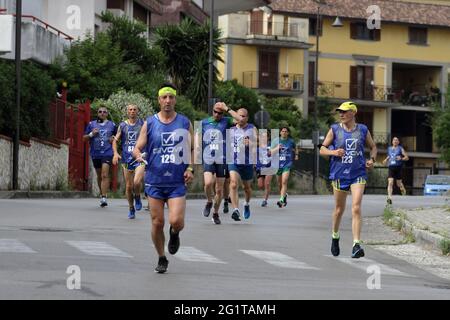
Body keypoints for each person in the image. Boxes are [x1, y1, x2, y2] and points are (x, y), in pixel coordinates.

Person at [133, 83, 194, 274]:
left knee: (176, 221)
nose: (167, 101)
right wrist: (137, 155)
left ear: (175, 99)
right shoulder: (150, 123)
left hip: (176, 180)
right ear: (159, 100)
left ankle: (174, 233)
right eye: (164, 97)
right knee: (157, 222)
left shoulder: (184, 122)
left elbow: (193, 148)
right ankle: (161, 257)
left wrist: (190, 168)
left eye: (171, 97)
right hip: (154, 180)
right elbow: (138, 147)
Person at [320, 101, 377, 259]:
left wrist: (372, 160)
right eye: (340, 112)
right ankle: (335, 235)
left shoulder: (363, 130)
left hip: (358, 173)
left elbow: (373, 147)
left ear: (353, 113)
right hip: (339, 174)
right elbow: (322, 149)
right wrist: (334, 153)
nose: (341, 114)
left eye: (344, 111)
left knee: (356, 207)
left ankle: (356, 244)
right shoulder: (334, 129)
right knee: (339, 210)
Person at [199, 102, 241, 224]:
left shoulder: (226, 121)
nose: (217, 114)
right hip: (208, 157)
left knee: (219, 190)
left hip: (222, 158)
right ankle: (208, 201)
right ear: (212, 111)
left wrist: (227, 108)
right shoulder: (204, 122)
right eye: (215, 112)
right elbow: (195, 138)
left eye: (220, 113)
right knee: (208, 183)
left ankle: (215, 214)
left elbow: (239, 119)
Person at [113, 104, 145, 219]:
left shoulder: (142, 124)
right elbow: (115, 141)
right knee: (128, 186)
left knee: (137, 182)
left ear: (138, 111)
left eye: (134, 110)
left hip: (139, 157)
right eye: (130, 110)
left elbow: (150, 138)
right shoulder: (122, 125)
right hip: (126, 158)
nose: (132, 111)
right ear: (127, 112)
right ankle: (131, 208)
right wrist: (116, 153)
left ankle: (137, 196)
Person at [227, 108, 258, 221]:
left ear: (247, 118)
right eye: (239, 115)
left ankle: (246, 204)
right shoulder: (231, 130)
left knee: (247, 188)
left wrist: (251, 143)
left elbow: (259, 143)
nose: (241, 118)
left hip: (247, 162)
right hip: (233, 161)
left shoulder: (252, 128)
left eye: (244, 116)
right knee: (234, 184)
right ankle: (236, 210)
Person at [83, 106, 117, 207]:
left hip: (107, 153)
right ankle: (102, 194)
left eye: (104, 112)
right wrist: (91, 134)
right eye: (100, 112)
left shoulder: (112, 125)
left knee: (104, 175)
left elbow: (117, 137)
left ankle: (103, 197)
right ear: (97, 113)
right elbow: (84, 138)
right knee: (99, 175)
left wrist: (113, 139)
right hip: (95, 153)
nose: (102, 113)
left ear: (107, 114)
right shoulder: (91, 124)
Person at [272, 127, 298, 208]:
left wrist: (296, 155)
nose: (284, 132)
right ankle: (284, 195)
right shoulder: (275, 141)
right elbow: (271, 152)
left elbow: (296, 148)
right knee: (280, 183)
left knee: (284, 181)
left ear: (288, 133)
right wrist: (277, 148)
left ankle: (281, 199)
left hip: (287, 164)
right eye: (282, 131)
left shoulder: (291, 141)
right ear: (280, 133)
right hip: (278, 164)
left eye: (285, 131)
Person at [383, 137, 409, 205]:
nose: (395, 141)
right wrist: (386, 160)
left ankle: (402, 188)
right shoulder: (389, 148)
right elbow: (389, 156)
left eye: (396, 140)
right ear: (392, 142)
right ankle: (389, 198)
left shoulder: (400, 148)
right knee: (390, 182)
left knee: (398, 184)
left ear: (398, 142)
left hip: (398, 168)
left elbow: (407, 157)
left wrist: (401, 158)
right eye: (394, 140)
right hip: (391, 167)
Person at [255, 130, 273, 207]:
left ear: (268, 137)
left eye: (266, 136)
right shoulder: (257, 145)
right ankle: (266, 191)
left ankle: (265, 200)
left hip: (269, 167)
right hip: (260, 167)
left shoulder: (272, 145)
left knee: (267, 184)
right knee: (260, 185)